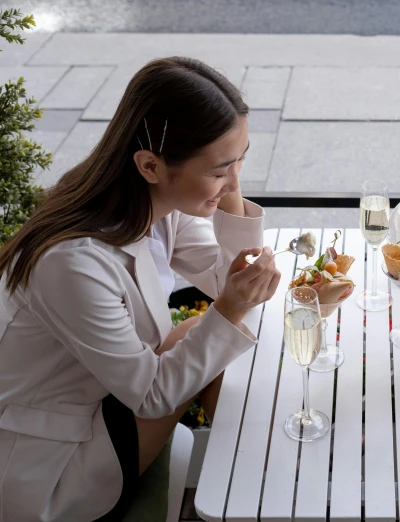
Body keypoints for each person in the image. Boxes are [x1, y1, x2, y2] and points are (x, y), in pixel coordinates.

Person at [0, 56, 282, 521]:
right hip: (56, 463)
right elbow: (153, 396)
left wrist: (224, 176)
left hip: (101, 395)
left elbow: (222, 275)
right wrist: (230, 308)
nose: (235, 182)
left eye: (241, 161)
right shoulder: (73, 264)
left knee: (207, 333)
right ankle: (263, 482)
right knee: (211, 336)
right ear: (150, 164)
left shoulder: (152, 207)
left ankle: (263, 472)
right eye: (218, 170)